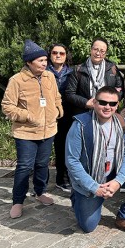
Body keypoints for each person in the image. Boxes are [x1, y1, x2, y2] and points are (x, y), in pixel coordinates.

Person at [65, 86, 125, 234]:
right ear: (94, 102)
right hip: (91, 176)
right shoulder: (80, 125)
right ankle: (80, 196)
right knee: (88, 226)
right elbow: (72, 161)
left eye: (112, 104)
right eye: (103, 102)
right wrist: (95, 188)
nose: (108, 107)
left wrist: (118, 181)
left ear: (117, 105)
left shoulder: (121, 122)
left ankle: (124, 217)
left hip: (114, 168)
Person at [2, 39, 63, 219]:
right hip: (25, 133)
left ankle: (40, 191)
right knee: (24, 166)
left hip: (49, 130)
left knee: (42, 164)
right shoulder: (17, 80)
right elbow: (7, 106)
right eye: (41, 61)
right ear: (29, 62)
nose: (45, 63)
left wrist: (58, 110)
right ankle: (17, 201)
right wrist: (28, 116)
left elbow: (56, 96)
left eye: (45, 60)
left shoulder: (49, 76)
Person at [65, 37, 123, 116]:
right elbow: (69, 93)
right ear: (91, 50)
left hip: (107, 113)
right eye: (95, 49)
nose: (98, 53)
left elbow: (120, 89)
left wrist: (110, 102)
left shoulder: (112, 68)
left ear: (106, 53)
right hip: (85, 113)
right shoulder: (78, 69)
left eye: (102, 51)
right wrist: (85, 102)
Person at [47, 43, 74, 192]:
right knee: (44, 149)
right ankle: (41, 182)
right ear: (50, 54)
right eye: (55, 52)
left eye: (61, 53)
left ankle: (62, 178)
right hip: (47, 113)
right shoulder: (43, 72)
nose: (58, 55)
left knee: (63, 146)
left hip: (67, 114)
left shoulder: (71, 72)